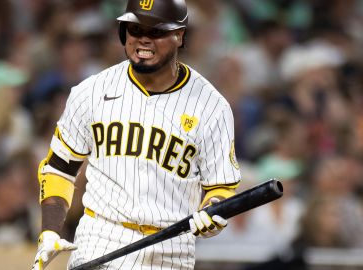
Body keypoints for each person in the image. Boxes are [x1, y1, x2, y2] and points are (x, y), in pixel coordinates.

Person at [31, 0, 242, 269]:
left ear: (179, 35)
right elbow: (59, 168)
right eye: (135, 29)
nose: (143, 40)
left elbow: (221, 186)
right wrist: (50, 229)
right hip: (101, 237)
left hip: (170, 248)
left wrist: (213, 210)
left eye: (155, 31)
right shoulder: (91, 91)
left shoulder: (212, 106)